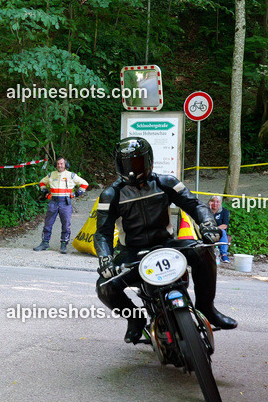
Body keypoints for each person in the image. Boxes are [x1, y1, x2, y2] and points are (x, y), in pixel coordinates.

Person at [94, 137, 238, 343]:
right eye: (126, 165)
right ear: (118, 166)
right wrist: (105, 258)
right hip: (132, 253)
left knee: (203, 251)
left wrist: (207, 223)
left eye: (137, 162)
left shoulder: (166, 182)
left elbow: (195, 205)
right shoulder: (111, 195)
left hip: (167, 245)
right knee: (104, 286)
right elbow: (102, 232)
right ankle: (135, 319)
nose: (132, 169)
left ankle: (207, 308)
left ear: (149, 160)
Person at [33, 157, 89, 254]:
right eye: (58, 163)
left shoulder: (71, 175)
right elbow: (42, 182)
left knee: (66, 224)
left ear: (65, 165)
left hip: (65, 202)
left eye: (62, 163)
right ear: (56, 165)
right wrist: (46, 194)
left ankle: (64, 244)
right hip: (53, 201)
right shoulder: (51, 175)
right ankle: (45, 243)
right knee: (48, 223)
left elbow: (84, 184)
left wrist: (75, 194)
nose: (60, 165)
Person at [207, 195, 231, 263]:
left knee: (222, 232)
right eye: (213, 201)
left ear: (220, 203)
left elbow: (225, 225)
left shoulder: (224, 211)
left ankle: (224, 255)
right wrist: (208, 208)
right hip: (206, 230)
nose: (215, 203)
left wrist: (214, 228)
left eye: (217, 202)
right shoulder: (206, 210)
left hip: (218, 231)